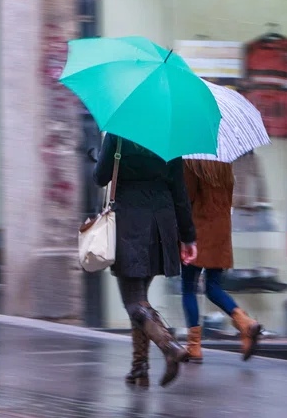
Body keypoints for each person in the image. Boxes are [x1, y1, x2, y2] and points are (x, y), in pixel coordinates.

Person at [92, 133, 197, 388]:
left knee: (132, 302)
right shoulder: (171, 135)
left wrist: (101, 157)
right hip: (162, 224)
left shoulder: (119, 132)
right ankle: (139, 367)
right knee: (140, 300)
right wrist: (188, 237)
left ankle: (169, 345)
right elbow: (179, 190)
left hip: (129, 222)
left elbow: (100, 177)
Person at [181, 159, 262, 362]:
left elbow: (186, 198)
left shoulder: (191, 161)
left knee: (188, 288)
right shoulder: (225, 163)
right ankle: (244, 322)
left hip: (197, 231)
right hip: (221, 231)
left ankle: (194, 346)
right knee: (212, 286)